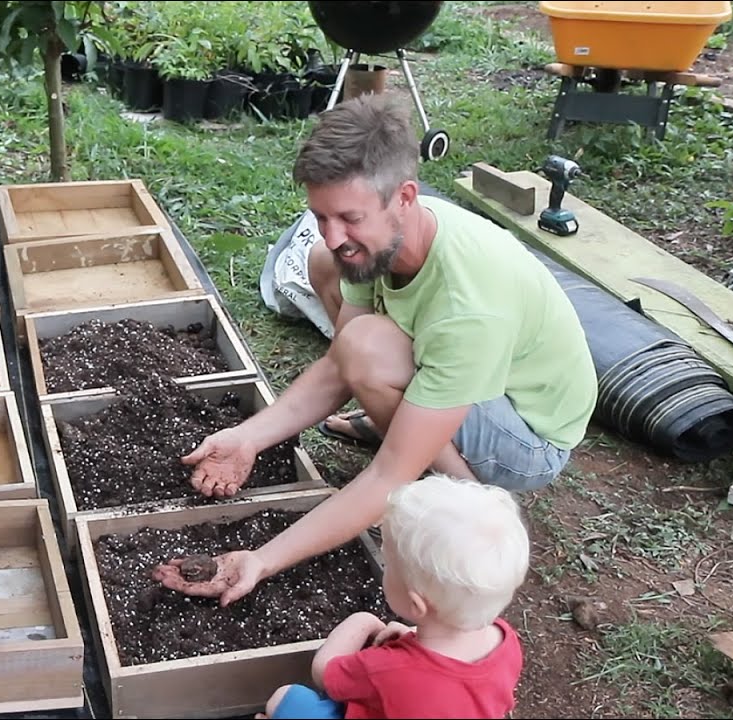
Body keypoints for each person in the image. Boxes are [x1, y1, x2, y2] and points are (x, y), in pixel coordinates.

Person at [153, 91, 597, 606]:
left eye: (349, 217)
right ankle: (405, 417)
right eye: (321, 215)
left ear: (405, 197)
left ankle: (468, 499)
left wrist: (262, 558)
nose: (335, 233)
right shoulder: (384, 242)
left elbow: (388, 473)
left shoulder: (469, 304)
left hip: (527, 436)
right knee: (326, 268)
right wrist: (249, 438)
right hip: (464, 383)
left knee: (371, 351)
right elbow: (341, 361)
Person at [254, 474, 529, 719]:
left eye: (389, 565)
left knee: (286, 700)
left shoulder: (391, 669)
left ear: (415, 604)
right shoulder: (506, 641)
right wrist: (410, 634)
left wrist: (364, 622)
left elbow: (325, 673)